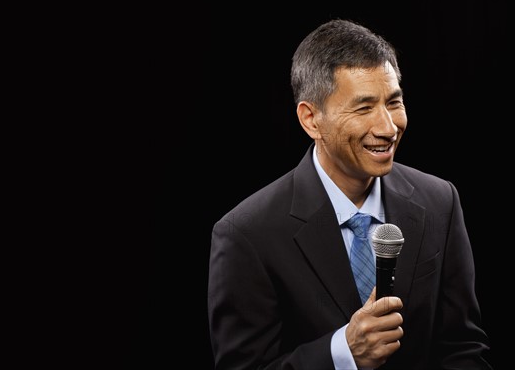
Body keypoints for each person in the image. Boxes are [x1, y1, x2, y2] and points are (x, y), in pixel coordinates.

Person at [207, 19, 492, 369]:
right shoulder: (246, 234)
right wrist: (343, 353)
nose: (388, 128)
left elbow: (463, 349)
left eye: (394, 102)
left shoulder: (440, 202)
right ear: (311, 119)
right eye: (363, 107)